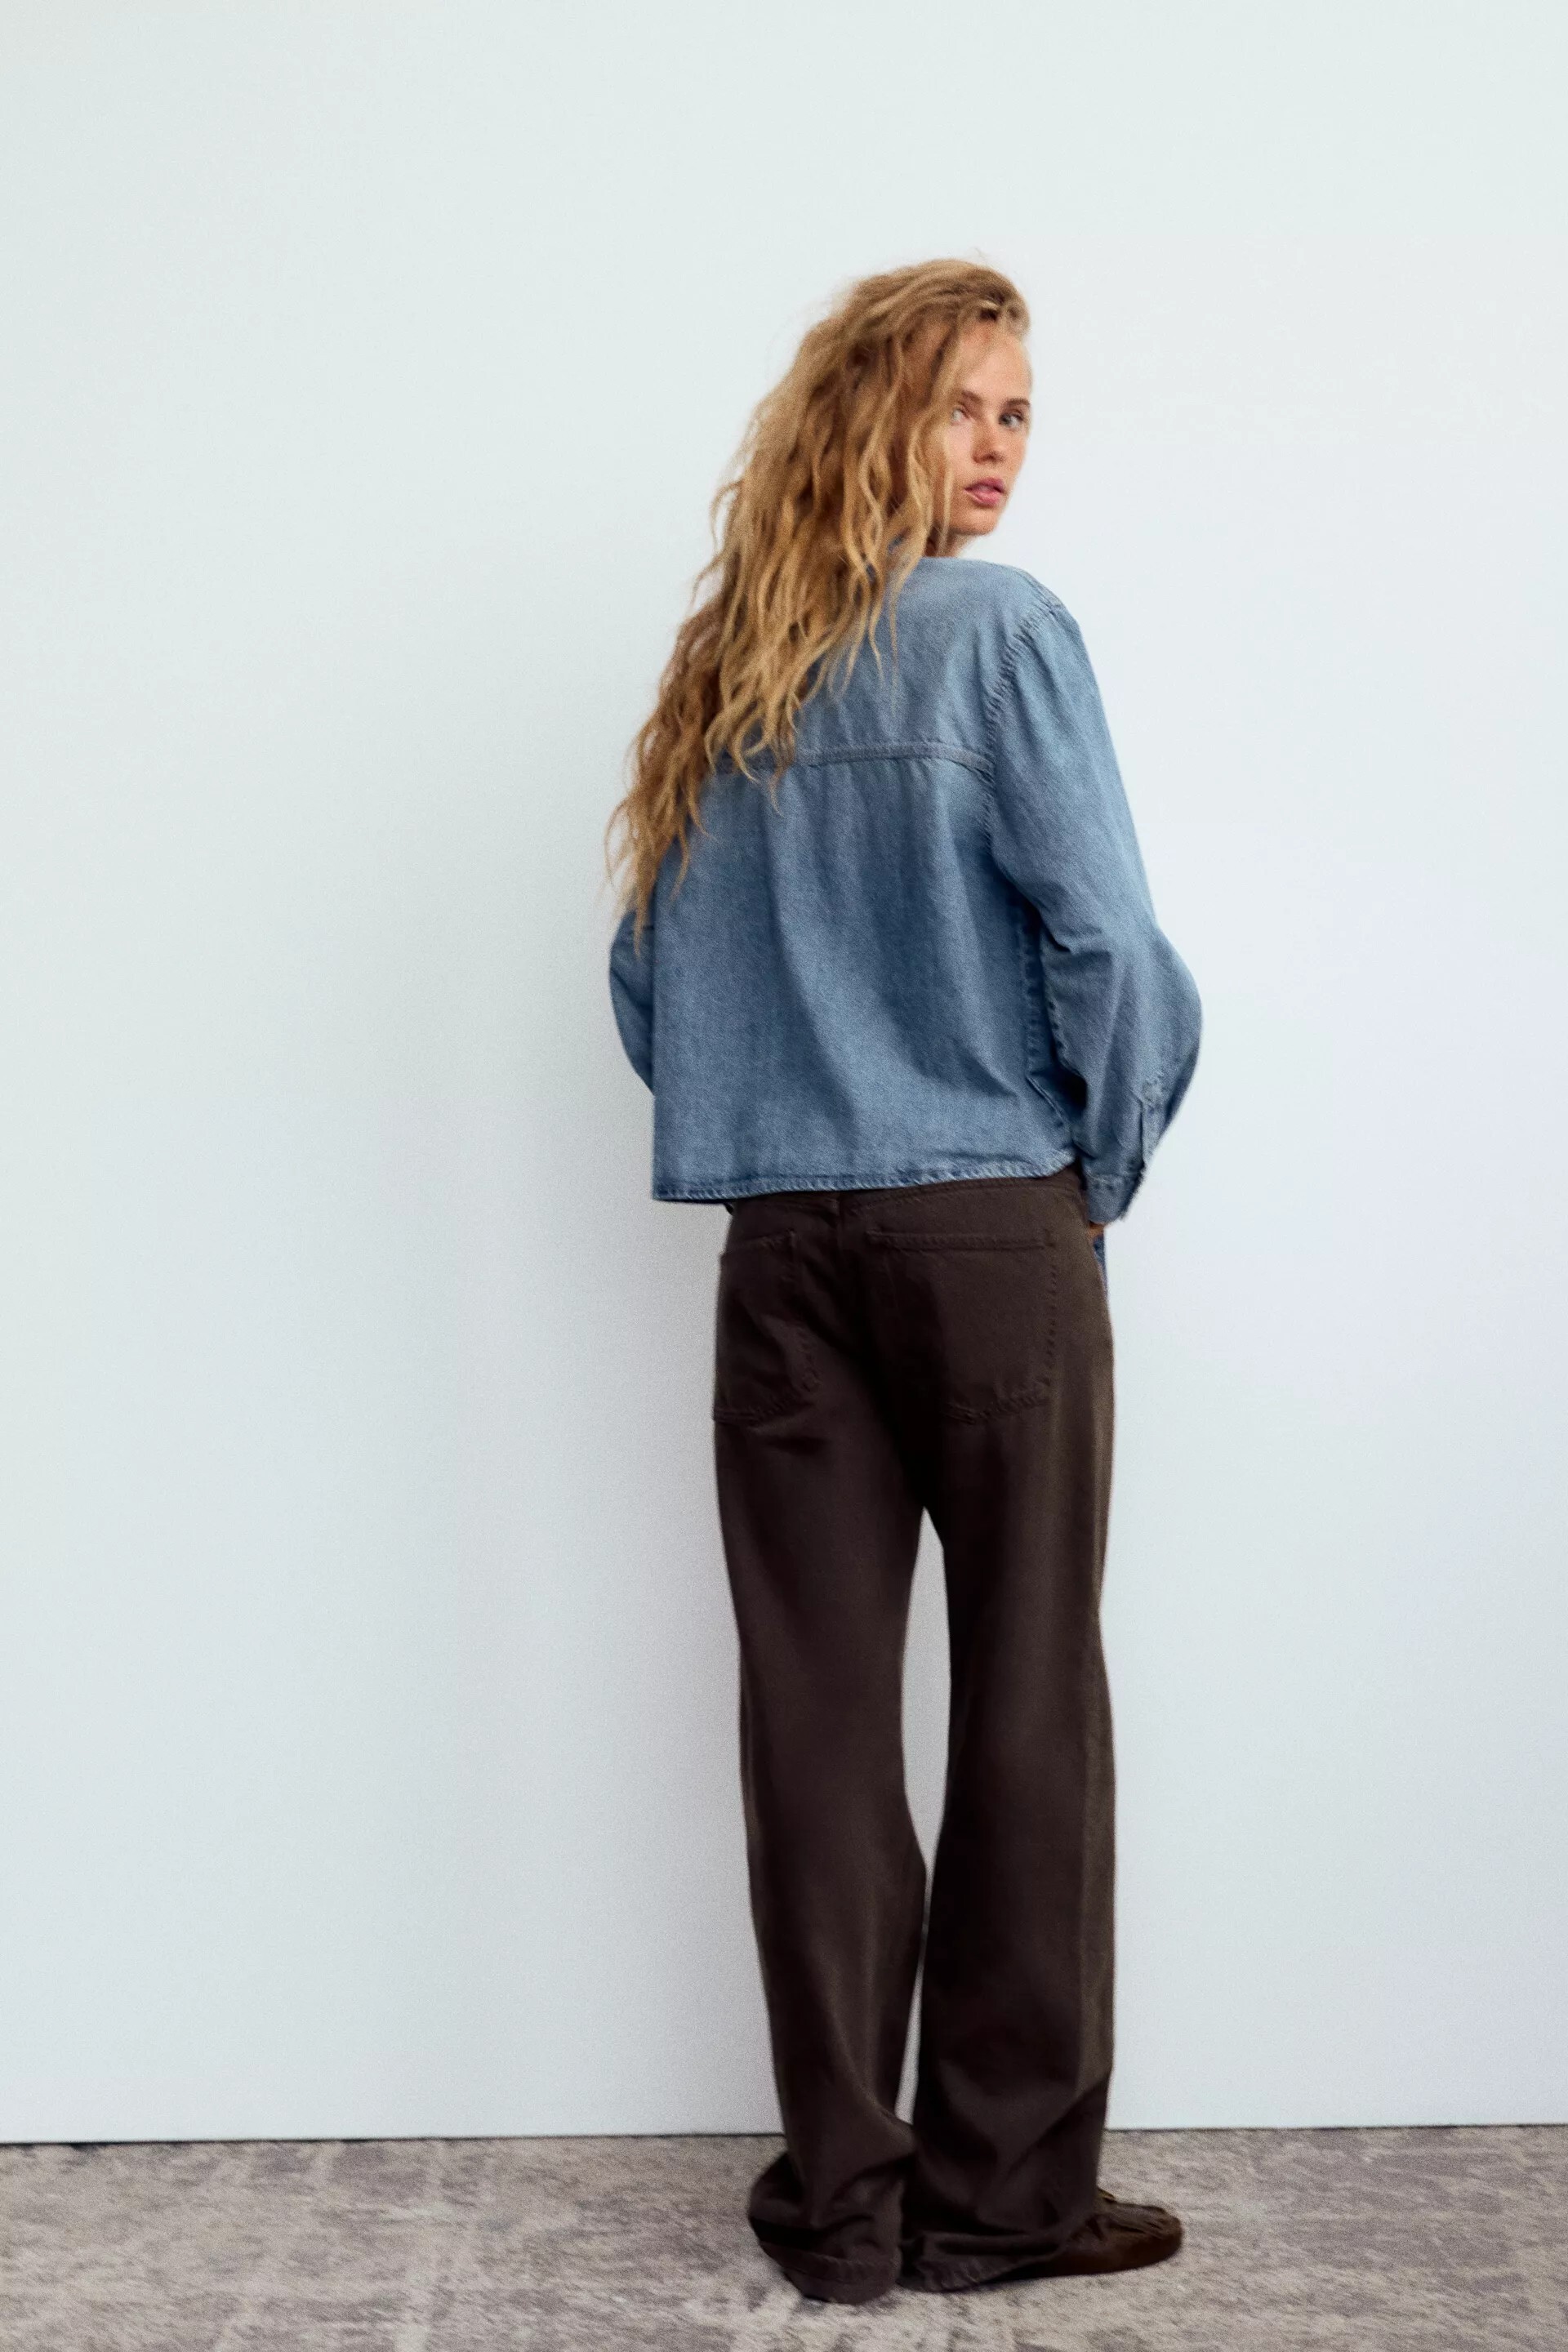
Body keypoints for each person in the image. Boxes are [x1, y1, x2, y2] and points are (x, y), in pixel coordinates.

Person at [602, 258, 1202, 2307]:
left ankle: (846, 2206)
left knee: (817, 1717)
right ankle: (999, 2204)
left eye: (1019, 413)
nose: (998, 449)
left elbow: (646, 982)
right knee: (1027, 1691)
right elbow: (1109, 947)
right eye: (963, 406)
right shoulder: (1000, 634)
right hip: (986, 1229)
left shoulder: (732, 665)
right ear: (871, 418)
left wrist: (784, 1098)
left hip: (783, 1250)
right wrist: (1092, 1166)